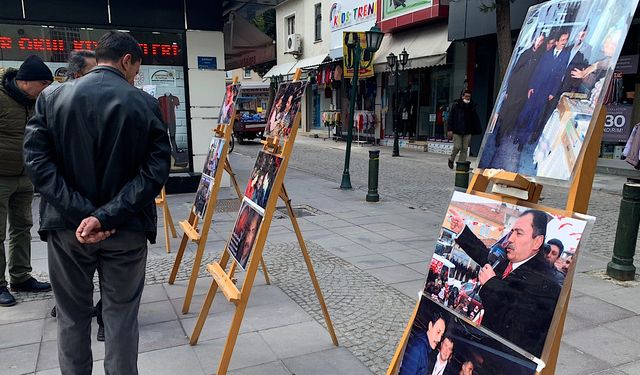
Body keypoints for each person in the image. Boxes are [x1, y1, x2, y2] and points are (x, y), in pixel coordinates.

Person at [23, 31, 171, 374]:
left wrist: (83, 214)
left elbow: (37, 164)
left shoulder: (51, 98)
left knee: (72, 317)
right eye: (136, 68)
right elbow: (156, 171)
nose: (136, 76)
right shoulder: (144, 103)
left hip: (67, 228)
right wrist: (105, 217)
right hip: (126, 228)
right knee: (120, 316)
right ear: (126, 61)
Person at [448, 209, 561, 357]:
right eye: (512, 231)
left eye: (519, 233)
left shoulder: (546, 284)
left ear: (537, 241)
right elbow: (485, 256)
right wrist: (462, 230)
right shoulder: (508, 260)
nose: (510, 239)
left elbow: (514, 325)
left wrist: (491, 285)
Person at [49, 49, 103, 341]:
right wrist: (87, 213)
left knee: (114, 287)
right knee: (72, 310)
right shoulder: (54, 103)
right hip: (70, 216)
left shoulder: (116, 102)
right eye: (94, 71)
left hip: (107, 218)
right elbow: (42, 165)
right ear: (77, 74)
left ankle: (105, 318)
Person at [0, 55, 53, 307]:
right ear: (26, 82)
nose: (45, 90)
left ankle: (20, 276)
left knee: (22, 227)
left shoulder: (35, 102)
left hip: (25, 175)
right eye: (43, 84)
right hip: (0, 176)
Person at [446, 90, 482, 170]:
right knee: (457, 146)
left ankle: (460, 164)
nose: (468, 98)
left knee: (465, 148)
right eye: (466, 96)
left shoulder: (472, 106)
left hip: (467, 130)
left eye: (469, 96)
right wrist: (449, 129)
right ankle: (451, 159)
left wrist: (476, 129)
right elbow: (451, 118)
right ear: (462, 96)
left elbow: (475, 119)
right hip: (457, 130)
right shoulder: (456, 105)